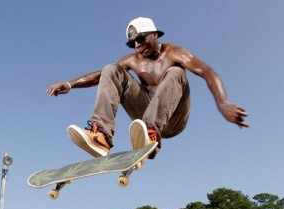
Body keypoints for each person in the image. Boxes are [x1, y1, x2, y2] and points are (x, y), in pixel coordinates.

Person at [47, 17, 248, 158]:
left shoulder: (174, 52)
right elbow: (101, 76)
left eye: (141, 39)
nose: (138, 46)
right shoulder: (132, 60)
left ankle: (151, 135)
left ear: (154, 35)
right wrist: (70, 84)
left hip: (173, 120)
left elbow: (207, 71)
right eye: (133, 43)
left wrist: (223, 103)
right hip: (145, 114)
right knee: (111, 69)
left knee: (176, 72)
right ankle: (101, 136)